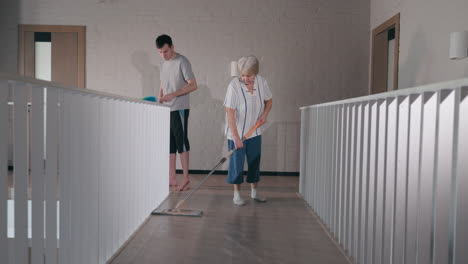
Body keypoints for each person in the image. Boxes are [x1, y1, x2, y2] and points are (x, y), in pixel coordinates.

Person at [223, 55, 273, 205]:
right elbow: (230, 112)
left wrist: (264, 115)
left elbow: (269, 101)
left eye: (249, 75)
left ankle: (254, 192)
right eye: (242, 75)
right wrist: (237, 138)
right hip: (236, 133)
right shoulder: (234, 86)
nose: (245, 78)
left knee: (254, 162)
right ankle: (236, 194)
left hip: (255, 131)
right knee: (237, 164)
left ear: (255, 73)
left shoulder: (262, 82)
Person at [156, 34, 197, 191]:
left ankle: (186, 178)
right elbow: (162, 85)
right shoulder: (163, 64)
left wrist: (173, 94)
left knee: (181, 143)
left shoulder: (182, 61)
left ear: (172, 47)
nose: (163, 55)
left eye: (165, 51)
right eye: (160, 52)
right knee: (170, 145)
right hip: (167, 109)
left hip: (179, 108)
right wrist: (160, 100)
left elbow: (193, 85)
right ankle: (172, 177)